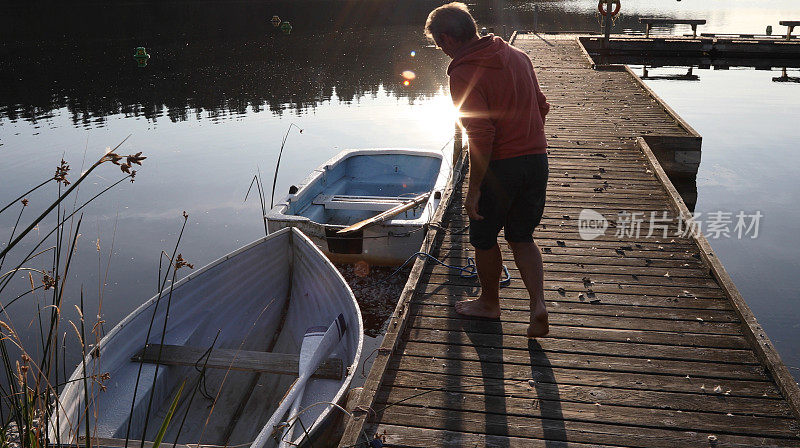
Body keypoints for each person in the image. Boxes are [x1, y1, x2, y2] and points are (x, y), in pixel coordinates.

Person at [425, 2, 551, 337]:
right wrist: (527, 140)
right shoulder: (517, 56)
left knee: (483, 238)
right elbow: (542, 106)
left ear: (449, 38)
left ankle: (490, 303)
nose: (440, 50)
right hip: (537, 160)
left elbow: (481, 136)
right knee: (522, 236)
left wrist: (474, 188)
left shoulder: (464, 72)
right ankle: (537, 304)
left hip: (501, 168)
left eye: (438, 43)